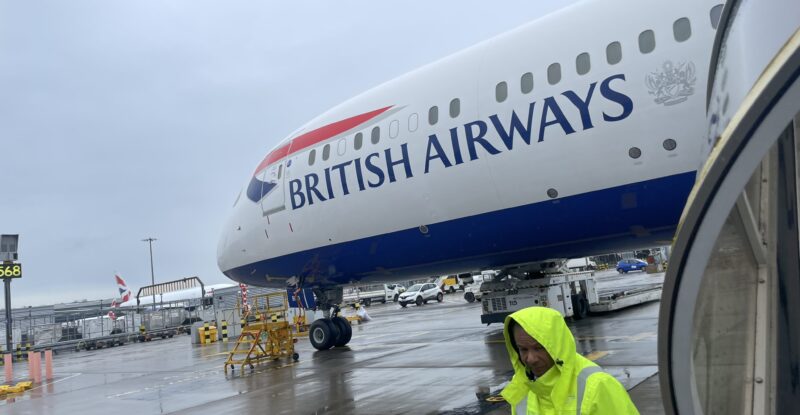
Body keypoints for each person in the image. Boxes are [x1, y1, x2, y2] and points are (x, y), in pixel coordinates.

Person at [501, 307, 639, 414]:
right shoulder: (522, 385)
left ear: (557, 345)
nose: (531, 359)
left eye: (539, 348)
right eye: (523, 349)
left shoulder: (597, 385)